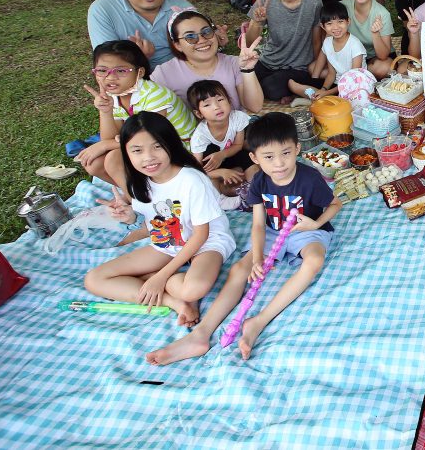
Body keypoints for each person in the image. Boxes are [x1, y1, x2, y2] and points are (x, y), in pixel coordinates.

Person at [145, 113, 342, 364]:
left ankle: (258, 321)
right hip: (272, 230)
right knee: (240, 269)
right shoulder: (259, 180)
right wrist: (258, 258)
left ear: (297, 149)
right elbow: (258, 224)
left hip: (306, 229)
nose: (279, 164)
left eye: (286, 153)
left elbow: (335, 203)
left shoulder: (310, 178)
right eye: (269, 157)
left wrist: (316, 223)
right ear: (254, 158)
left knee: (314, 261)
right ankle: (201, 334)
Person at [85, 112, 236, 328]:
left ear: (171, 145)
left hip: (206, 241)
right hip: (168, 241)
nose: (148, 157)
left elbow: (201, 234)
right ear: (127, 153)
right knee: (94, 279)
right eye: (137, 150)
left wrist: (162, 277)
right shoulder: (139, 183)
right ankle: (174, 302)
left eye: (157, 147)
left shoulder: (192, 180)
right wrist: (130, 217)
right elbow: (152, 222)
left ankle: (158, 279)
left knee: (193, 289)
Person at [76, 40, 196, 185]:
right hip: (148, 149)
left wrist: (104, 146)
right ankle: (140, 195)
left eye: (121, 71)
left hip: (181, 149)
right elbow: (109, 137)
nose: (110, 77)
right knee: (94, 164)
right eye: (102, 70)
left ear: (140, 72)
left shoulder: (154, 94)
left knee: (113, 159)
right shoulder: (115, 95)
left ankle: (142, 201)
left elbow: (150, 139)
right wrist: (105, 111)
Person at [244, 0, 325, 102]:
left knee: (271, 88)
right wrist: (257, 21)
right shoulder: (265, 1)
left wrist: (315, 67)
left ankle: (287, 87)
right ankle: (289, 89)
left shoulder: (314, 3)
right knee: (243, 80)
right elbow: (249, 43)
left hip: (298, 66)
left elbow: (316, 40)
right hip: (269, 61)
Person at [152, 10, 263, 114]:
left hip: (236, 132)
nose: (202, 40)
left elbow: (255, 107)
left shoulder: (234, 63)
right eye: (190, 37)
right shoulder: (163, 74)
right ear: (177, 45)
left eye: (206, 32)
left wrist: (247, 70)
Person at [187, 80, 253, 197]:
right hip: (213, 170)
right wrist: (221, 172)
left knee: (250, 160)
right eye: (207, 105)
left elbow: (238, 145)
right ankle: (223, 197)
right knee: (208, 181)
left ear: (229, 101)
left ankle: (254, 189)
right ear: (199, 113)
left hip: (232, 155)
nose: (216, 107)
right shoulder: (200, 137)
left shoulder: (237, 118)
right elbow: (197, 171)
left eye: (220, 100)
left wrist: (222, 155)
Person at [341, 0, 394, 78]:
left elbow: (383, 55)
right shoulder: (342, 9)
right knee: (321, 70)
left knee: (386, 68)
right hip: (351, 57)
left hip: (375, 58)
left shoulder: (382, 14)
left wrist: (375, 34)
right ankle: (358, 76)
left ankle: (358, 77)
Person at [306, 1, 366, 99]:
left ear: (348, 22)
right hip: (337, 85)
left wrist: (327, 93)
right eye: (329, 23)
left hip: (356, 87)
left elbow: (353, 79)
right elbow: (331, 73)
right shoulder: (327, 43)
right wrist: (324, 89)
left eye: (340, 22)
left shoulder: (355, 45)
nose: (335, 27)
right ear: (323, 26)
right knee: (305, 90)